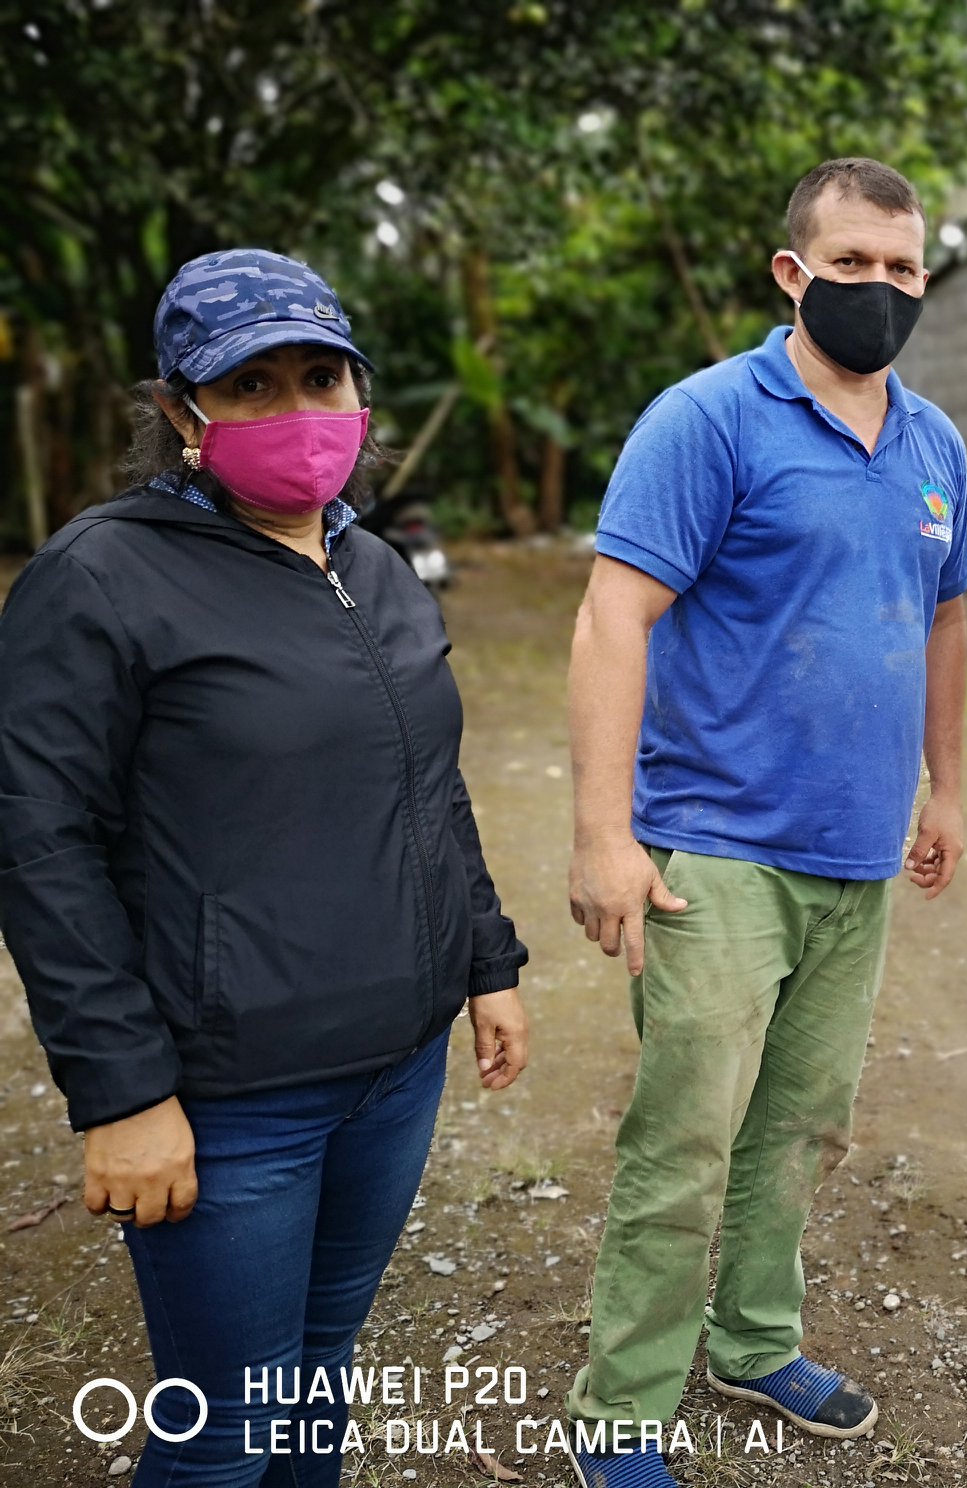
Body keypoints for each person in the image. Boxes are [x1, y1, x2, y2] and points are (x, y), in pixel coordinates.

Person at [0, 248, 530, 1487]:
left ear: (360, 394)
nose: (297, 410)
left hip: (395, 1072)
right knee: (225, 1429)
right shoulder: (99, 577)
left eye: (320, 377)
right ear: (182, 412)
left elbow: (429, 784)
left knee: (319, 1371)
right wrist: (122, 1093)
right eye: (251, 385)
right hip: (234, 1100)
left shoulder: (378, 570)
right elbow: (39, 840)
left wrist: (485, 960)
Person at [562, 157, 967, 1487]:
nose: (878, 288)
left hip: (857, 857)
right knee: (686, 1141)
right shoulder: (708, 419)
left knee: (800, 1129)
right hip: (718, 852)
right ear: (793, 274)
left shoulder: (934, 444)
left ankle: (751, 1340)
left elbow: (943, 620)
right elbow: (614, 616)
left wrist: (948, 787)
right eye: (851, 264)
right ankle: (618, 1412)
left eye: (900, 267)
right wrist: (603, 834)